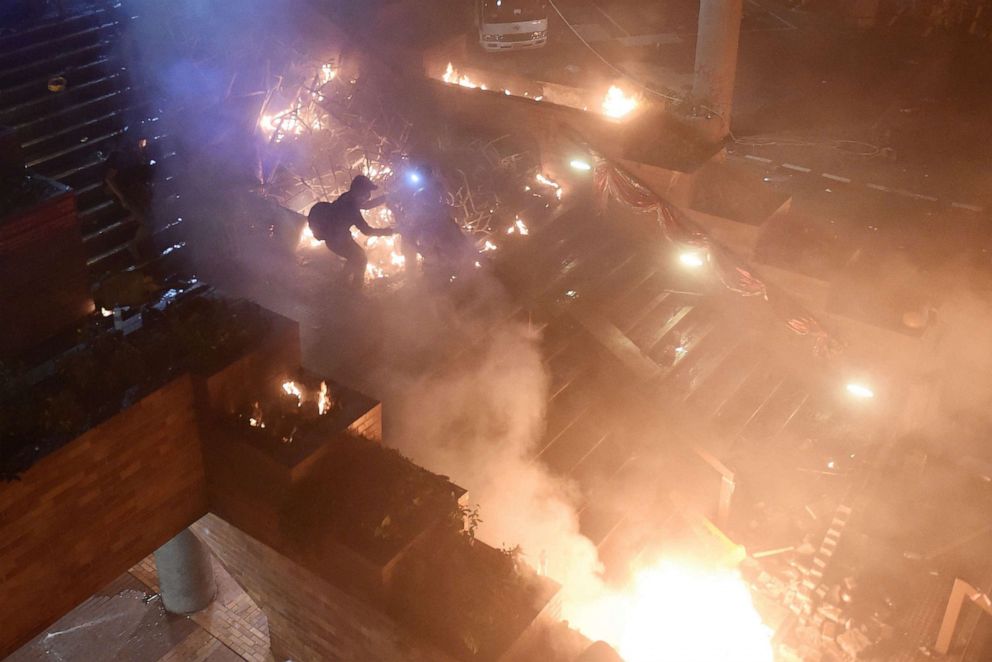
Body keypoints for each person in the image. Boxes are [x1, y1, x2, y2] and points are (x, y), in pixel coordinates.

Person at [308, 175, 395, 289]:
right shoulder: (351, 209)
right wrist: (390, 231)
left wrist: (385, 197)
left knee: (355, 258)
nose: (368, 196)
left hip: (335, 239)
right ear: (359, 191)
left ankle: (341, 284)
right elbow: (367, 231)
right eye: (366, 193)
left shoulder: (346, 197)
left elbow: (365, 206)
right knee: (361, 258)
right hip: (338, 241)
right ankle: (355, 291)